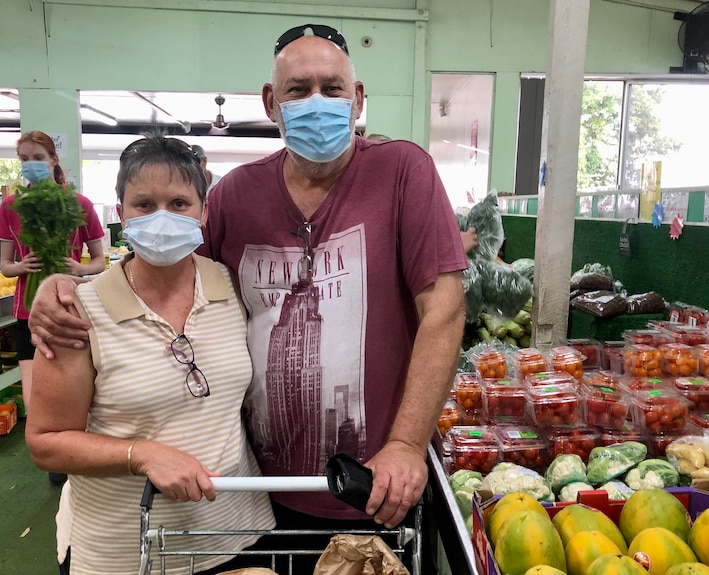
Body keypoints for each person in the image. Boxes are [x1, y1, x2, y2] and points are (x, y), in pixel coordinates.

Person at [29, 23, 466, 536]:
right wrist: (63, 287)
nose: (317, 102)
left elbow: (444, 309)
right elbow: (170, 277)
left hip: (377, 483)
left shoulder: (402, 172)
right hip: (251, 488)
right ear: (270, 102)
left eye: (333, 88)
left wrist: (408, 445)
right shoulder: (237, 194)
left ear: (358, 98)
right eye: (298, 90)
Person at [24, 135, 274, 575]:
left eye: (179, 203)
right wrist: (139, 453)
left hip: (236, 533)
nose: (162, 217)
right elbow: (46, 443)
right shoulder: (76, 313)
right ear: (120, 213)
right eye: (144, 204)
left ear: (204, 212)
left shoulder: (233, 286)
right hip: (126, 550)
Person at [0, 130, 106, 486]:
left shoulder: (79, 205)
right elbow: (4, 266)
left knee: (80, 389)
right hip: (29, 313)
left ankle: (80, 453)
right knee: (36, 395)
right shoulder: (11, 207)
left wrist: (79, 269)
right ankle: (55, 457)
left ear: (54, 160)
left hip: (73, 309)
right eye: (24, 159)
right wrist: (22, 267)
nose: (31, 166)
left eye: (38, 159)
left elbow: (100, 262)